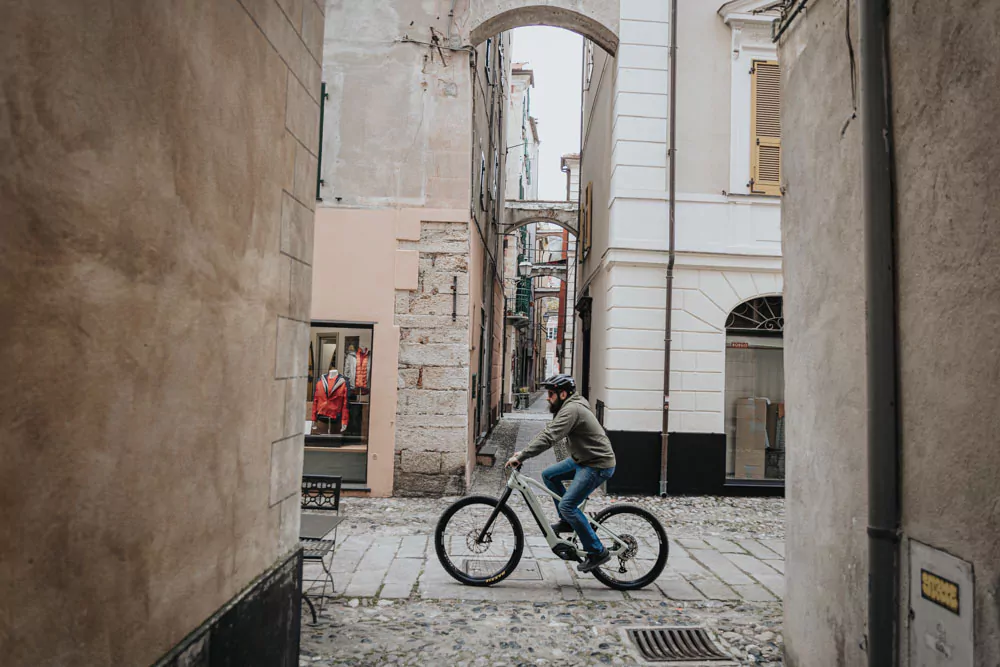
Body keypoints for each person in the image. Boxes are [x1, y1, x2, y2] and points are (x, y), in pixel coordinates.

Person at [505, 374, 616, 573]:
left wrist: (522, 455)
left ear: (563, 394)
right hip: (582, 458)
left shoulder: (572, 409)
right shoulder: (570, 406)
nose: (547, 398)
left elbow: (550, 436)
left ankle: (597, 551)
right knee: (549, 475)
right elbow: (552, 435)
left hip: (596, 464)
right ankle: (567, 522)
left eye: (551, 394)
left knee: (568, 505)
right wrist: (523, 453)